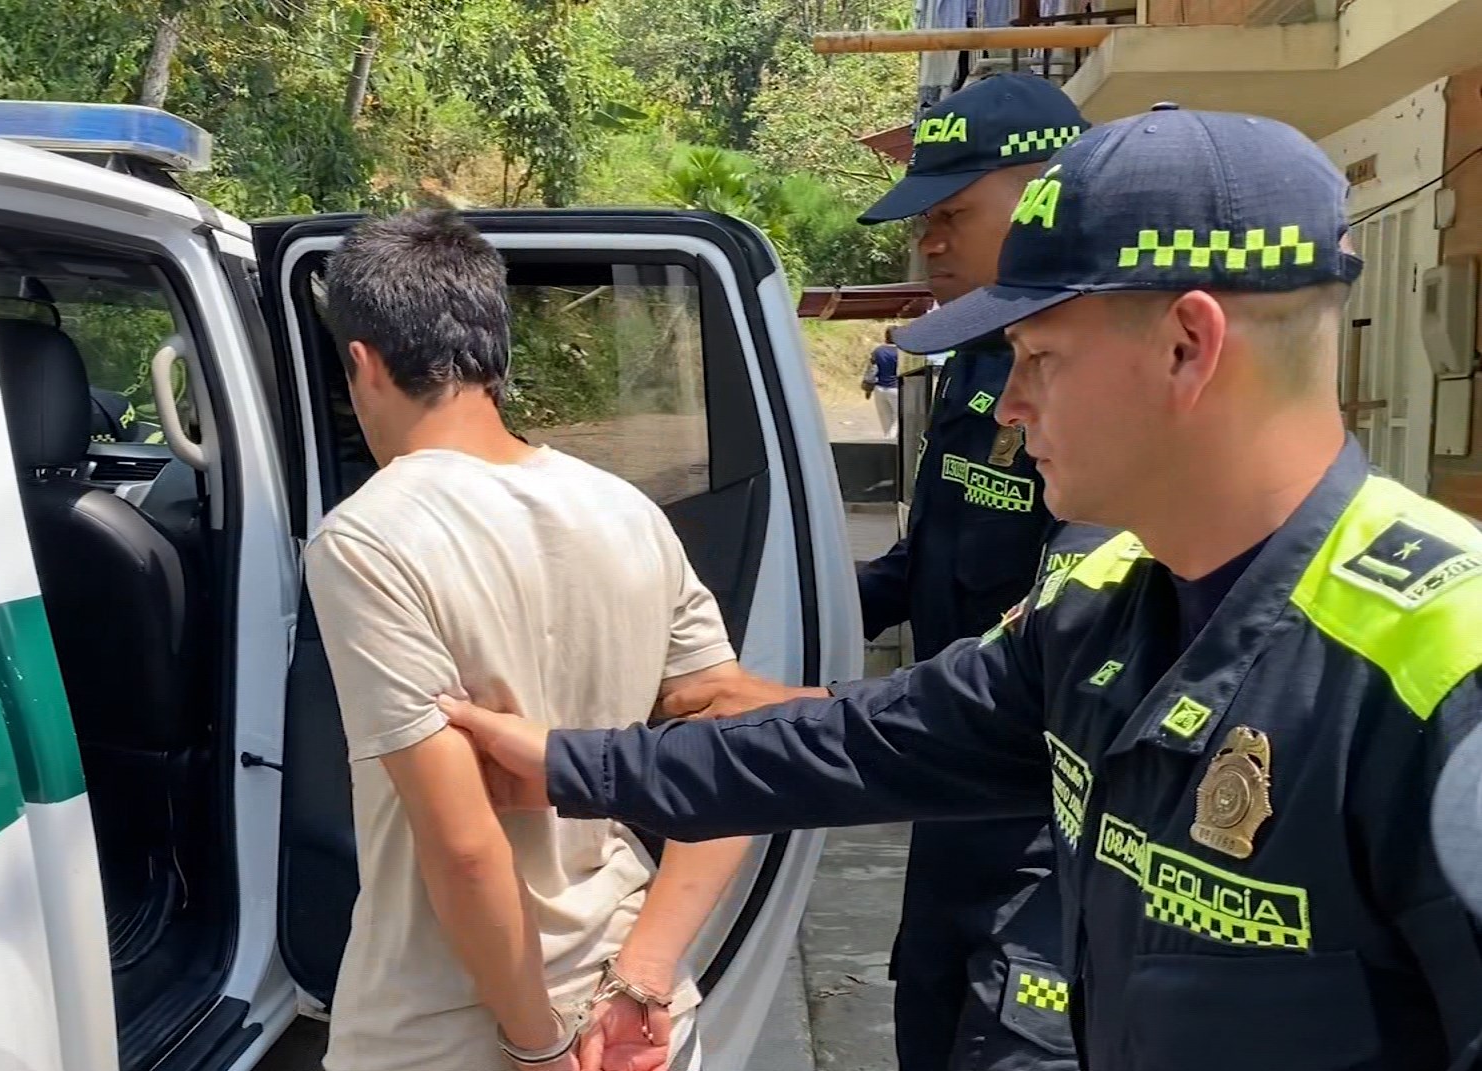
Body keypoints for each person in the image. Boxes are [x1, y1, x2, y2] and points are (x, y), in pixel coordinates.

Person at [441, 107, 1482, 1071]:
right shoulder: (1105, 605)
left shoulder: (1440, 666)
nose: (1012, 401)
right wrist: (562, 765)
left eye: (1038, 356)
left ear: (1186, 346)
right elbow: (853, 745)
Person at [303, 208, 753, 1071]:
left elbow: (465, 844)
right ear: (494, 354)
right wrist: (644, 973)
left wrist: (536, 1046)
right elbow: (733, 762)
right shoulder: (627, 510)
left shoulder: (367, 538)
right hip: (636, 1016)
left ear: (360, 362)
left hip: (447, 1026)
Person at [851, 71, 1092, 1071]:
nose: (928, 242)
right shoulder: (973, 368)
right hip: (949, 819)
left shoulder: (1094, 395)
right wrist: (777, 609)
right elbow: (931, 558)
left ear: (1046, 194)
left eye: (952, 212)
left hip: (1042, 840)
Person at [862, 328, 901, 438]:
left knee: (886, 421)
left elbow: (871, 370)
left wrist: (868, 389)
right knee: (897, 420)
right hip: (896, 388)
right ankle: (891, 443)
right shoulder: (901, 352)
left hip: (879, 388)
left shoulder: (878, 351)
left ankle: (887, 442)